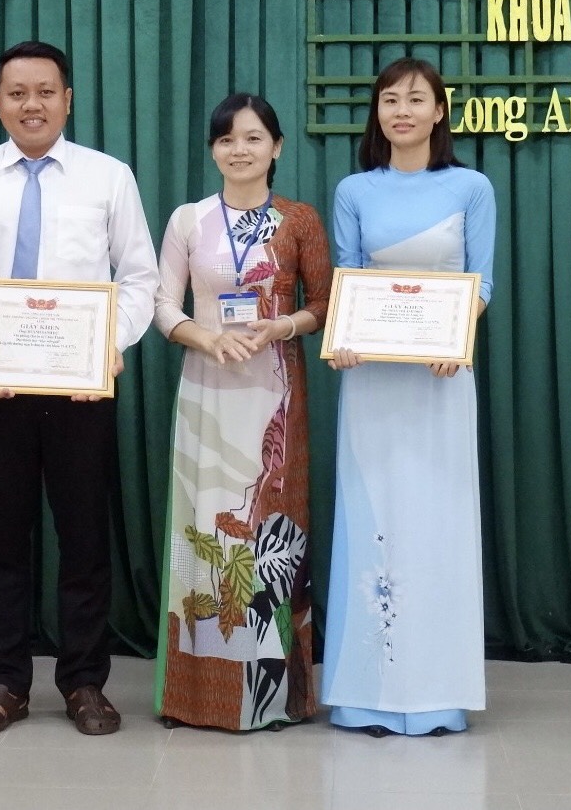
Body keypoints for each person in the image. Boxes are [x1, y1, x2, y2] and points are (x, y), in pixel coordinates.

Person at [0, 41, 158, 737]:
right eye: (18, 93)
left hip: (84, 388)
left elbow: (139, 278)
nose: (33, 104)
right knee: (2, 536)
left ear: (68, 99)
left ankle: (84, 682)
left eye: (46, 91)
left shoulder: (109, 177)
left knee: (84, 535)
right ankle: (5, 681)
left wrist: (109, 348)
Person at [320, 57, 497, 737]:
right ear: (378, 112)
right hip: (370, 381)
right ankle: (364, 691)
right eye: (390, 99)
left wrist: (453, 338)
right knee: (372, 522)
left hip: (440, 379)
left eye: (416, 99)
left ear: (439, 111)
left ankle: (438, 691)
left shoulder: (472, 187)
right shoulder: (354, 190)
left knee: (437, 522)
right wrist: (345, 338)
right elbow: (347, 278)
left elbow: (481, 283)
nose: (402, 110)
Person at [152, 94, 331, 731]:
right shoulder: (188, 220)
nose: (240, 150)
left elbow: (326, 305)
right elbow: (162, 305)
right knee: (202, 525)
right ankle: (192, 696)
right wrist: (207, 339)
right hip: (206, 390)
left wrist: (281, 325)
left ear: (277, 147)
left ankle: (273, 698)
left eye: (254, 138)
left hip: (275, 396)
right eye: (227, 139)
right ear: (212, 150)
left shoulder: (299, 220)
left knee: (269, 532)